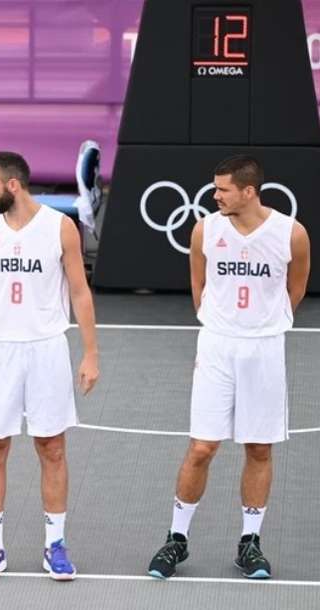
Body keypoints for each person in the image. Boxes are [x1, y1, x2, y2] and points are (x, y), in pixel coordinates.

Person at [147, 155, 310, 580]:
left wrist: (265, 323)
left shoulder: (291, 234)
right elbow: (198, 286)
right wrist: (221, 323)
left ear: (249, 191)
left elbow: (296, 289)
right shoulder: (206, 228)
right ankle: (175, 540)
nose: (214, 195)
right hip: (217, 346)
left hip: (264, 349)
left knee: (259, 447)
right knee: (203, 446)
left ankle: (250, 543)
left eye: (222, 189)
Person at [0, 151, 100, 581]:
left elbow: (80, 292)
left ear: (13, 186)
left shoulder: (59, 227)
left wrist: (90, 353)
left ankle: (55, 545)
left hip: (46, 348)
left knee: (52, 447)